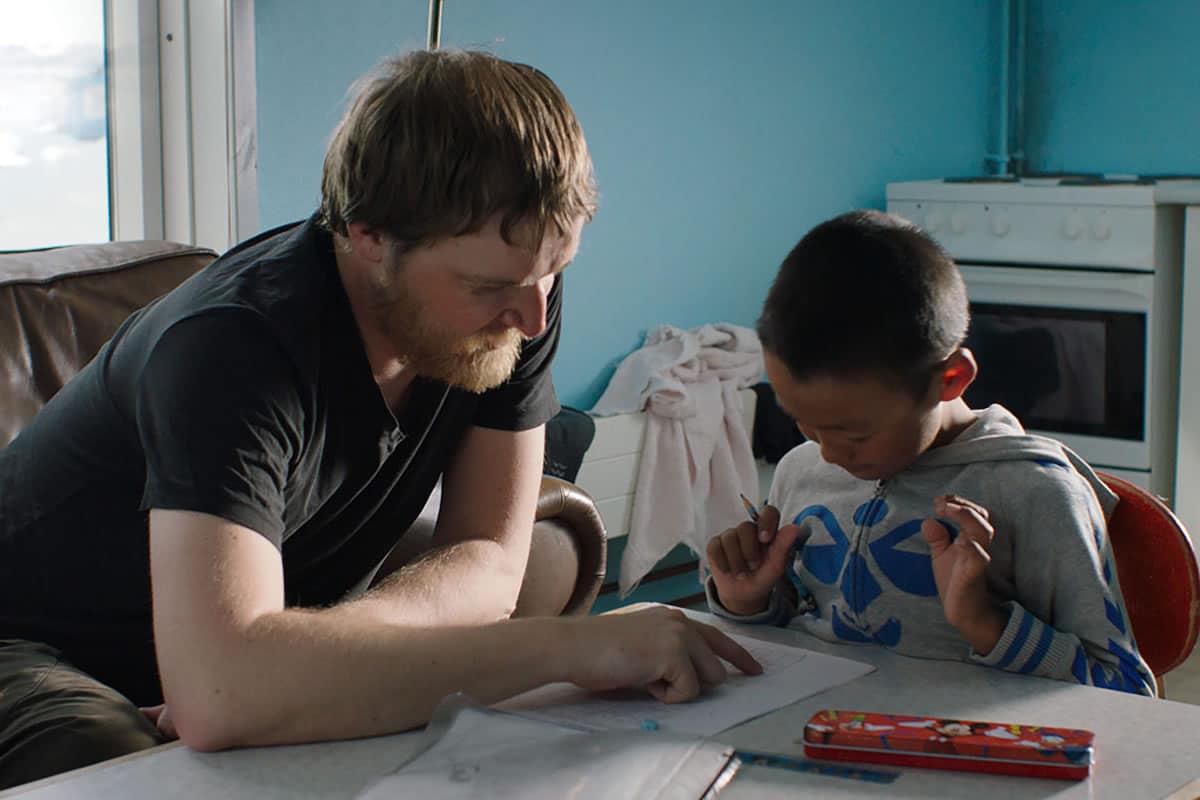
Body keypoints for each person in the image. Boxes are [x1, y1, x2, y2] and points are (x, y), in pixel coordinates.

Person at [0, 49, 759, 789]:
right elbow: (218, 699)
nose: (531, 318)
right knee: (104, 745)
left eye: (552, 273)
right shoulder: (234, 346)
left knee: (543, 559)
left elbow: (492, 560)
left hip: (251, 620)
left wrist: (292, 662)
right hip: (36, 641)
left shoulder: (514, 298)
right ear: (369, 237)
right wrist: (566, 651)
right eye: (490, 285)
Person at [704, 210, 1155, 696]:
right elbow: (805, 624)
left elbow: (1126, 692)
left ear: (951, 379)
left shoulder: (1037, 492)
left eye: (854, 435)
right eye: (802, 422)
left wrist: (985, 622)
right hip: (819, 738)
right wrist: (748, 601)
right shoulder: (801, 468)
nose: (828, 454)